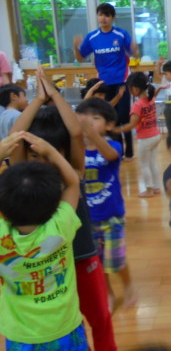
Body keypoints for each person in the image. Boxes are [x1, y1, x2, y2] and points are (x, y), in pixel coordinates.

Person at [10, 68, 117, 350]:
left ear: (62, 153)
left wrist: (54, 94)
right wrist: (37, 99)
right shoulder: (25, 179)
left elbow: (75, 132)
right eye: (35, 155)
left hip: (81, 256)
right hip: (43, 268)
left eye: (51, 154)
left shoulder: (72, 175)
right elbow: (16, 134)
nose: (43, 161)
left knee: (100, 318)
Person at [0, 132, 88, 350]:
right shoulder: (61, 226)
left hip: (21, 336)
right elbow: (73, 183)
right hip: (66, 328)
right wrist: (50, 152)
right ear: (54, 203)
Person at [76, 97, 138, 311]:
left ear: (109, 125)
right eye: (85, 118)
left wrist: (91, 133)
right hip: (87, 219)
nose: (89, 122)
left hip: (112, 215)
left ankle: (128, 286)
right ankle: (108, 293)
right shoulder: (76, 149)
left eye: (95, 118)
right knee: (98, 261)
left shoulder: (113, 145)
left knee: (117, 260)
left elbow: (110, 156)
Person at [73, 2, 139, 161]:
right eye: (100, 15)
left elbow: (134, 55)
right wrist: (75, 47)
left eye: (107, 15)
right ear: (97, 16)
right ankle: (117, 151)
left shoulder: (121, 34)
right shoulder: (92, 37)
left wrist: (135, 50)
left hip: (122, 81)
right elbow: (80, 58)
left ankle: (129, 152)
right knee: (109, 117)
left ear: (113, 18)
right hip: (103, 84)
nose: (103, 18)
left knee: (124, 117)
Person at [114, 72, 163, 197]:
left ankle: (149, 190)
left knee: (144, 165)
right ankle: (156, 187)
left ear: (135, 89)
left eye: (130, 89)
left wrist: (115, 130)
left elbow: (131, 125)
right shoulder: (151, 99)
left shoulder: (137, 105)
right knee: (152, 163)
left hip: (146, 139)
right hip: (156, 135)